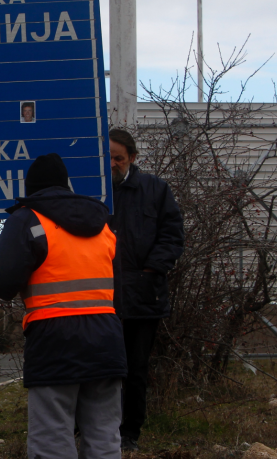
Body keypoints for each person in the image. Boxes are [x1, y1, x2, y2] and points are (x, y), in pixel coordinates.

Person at [0, 153, 127, 459]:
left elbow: (1, 282)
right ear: (66, 185)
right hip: (107, 337)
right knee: (105, 433)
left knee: (52, 437)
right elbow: (117, 287)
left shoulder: (27, 219)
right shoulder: (103, 224)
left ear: (32, 187)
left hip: (54, 338)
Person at [108, 129, 185, 451]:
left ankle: (130, 434)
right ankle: (93, 428)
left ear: (133, 158)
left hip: (144, 294)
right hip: (100, 295)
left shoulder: (155, 190)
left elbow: (172, 235)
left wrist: (151, 269)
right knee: (100, 367)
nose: (112, 164)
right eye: (107, 157)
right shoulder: (90, 192)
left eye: (118, 158)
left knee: (136, 368)